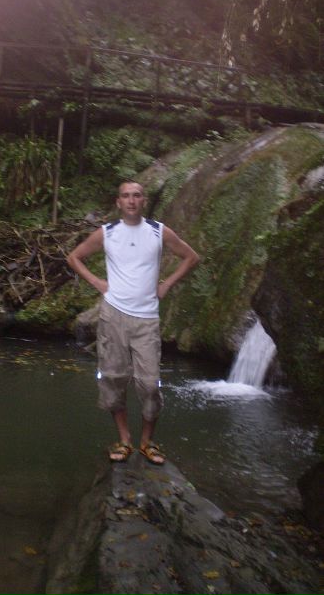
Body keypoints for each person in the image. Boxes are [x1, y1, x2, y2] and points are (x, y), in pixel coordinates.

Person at [67, 182, 199, 464]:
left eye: (136, 196)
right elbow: (75, 257)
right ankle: (124, 440)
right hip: (113, 315)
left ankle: (147, 443)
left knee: (150, 384)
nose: (131, 200)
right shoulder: (107, 233)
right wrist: (98, 283)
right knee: (113, 378)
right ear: (118, 202)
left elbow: (191, 257)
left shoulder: (158, 231)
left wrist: (166, 285)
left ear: (143, 201)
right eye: (126, 196)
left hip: (147, 318)